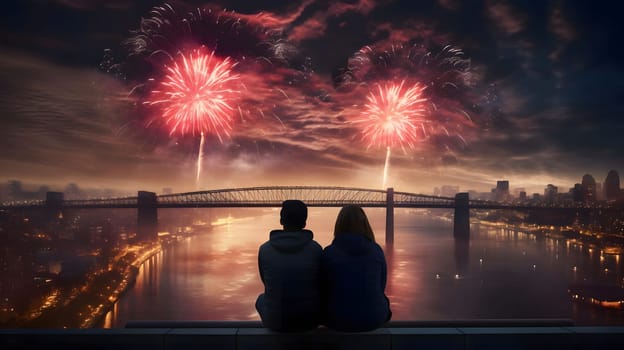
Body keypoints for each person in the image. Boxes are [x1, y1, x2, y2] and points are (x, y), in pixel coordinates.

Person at [255, 199, 323, 331]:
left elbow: (266, 282)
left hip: (274, 322)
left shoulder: (265, 249)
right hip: (309, 321)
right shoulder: (316, 250)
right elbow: (320, 283)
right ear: (304, 223)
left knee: (261, 299)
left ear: (281, 221)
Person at [322, 205, 392, 332]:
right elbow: (381, 286)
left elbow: (323, 289)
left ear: (339, 224)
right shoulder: (376, 251)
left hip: (336, 319)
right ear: (365, 224)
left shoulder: (328, 253)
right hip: (374, 318)